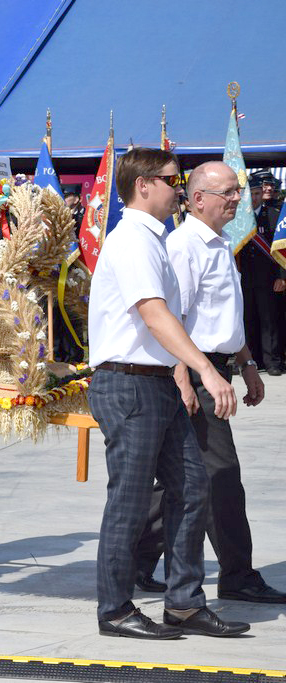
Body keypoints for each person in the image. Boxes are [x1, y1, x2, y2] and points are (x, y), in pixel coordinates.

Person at [87, 147, 248, 639]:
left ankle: (183, 603)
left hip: (155, 381)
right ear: (144, 185)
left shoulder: (154, 238)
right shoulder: (132, 239)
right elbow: (154, 313)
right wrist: (204, 368)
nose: (180, 189)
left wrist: (188, 370)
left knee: (193, 488)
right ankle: (115, 609)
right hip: (128, 382)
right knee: (131, 501)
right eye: (173, 181)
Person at [133, 162, 286, 604]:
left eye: (238, 190)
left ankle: (133, 556)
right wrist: (185, 377)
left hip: (217, 366)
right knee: (220, 475)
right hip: (193, 373)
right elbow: (171, 321)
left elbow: (223, 315)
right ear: (198, 198)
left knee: (190, 477)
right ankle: (237, 574)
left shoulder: (219, 244)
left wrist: (248, 362)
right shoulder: (183, 246)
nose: (237, 198)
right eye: (228, 192)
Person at [239, 170, 285, 375]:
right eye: (252, 194)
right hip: (245, 278)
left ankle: (272, 362)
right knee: (248, 320)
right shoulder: (238, 219)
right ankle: (253, 360)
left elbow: (282, 248)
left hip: (268, 278)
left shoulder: (274, 215)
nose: (255, 198)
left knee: (269, 321)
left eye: (258, 193)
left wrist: (282, 277)